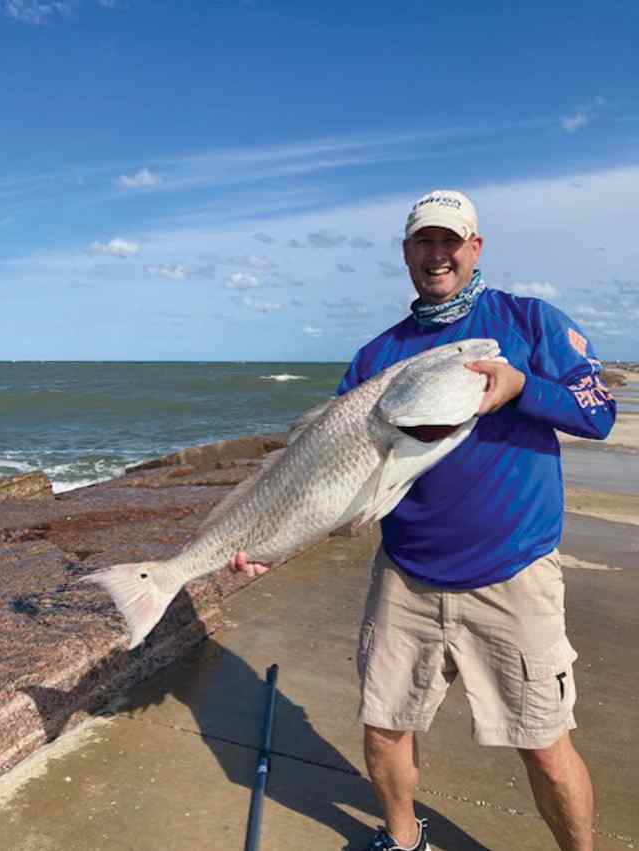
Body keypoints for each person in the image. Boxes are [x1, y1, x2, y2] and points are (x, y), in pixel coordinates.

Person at [229, 190, 616, 851]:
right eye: (424, 242)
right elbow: (335, 477)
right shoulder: (377, 355)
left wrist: (523, 388)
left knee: (545, 745)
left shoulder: (526, 321)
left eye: (450, 241)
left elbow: (598, 410)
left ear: (475, 247)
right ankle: (404, 837)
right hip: (406, 575)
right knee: (382, 728)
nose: (438, 255)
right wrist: (274, 544)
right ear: (407, 252)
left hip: (512, 573)